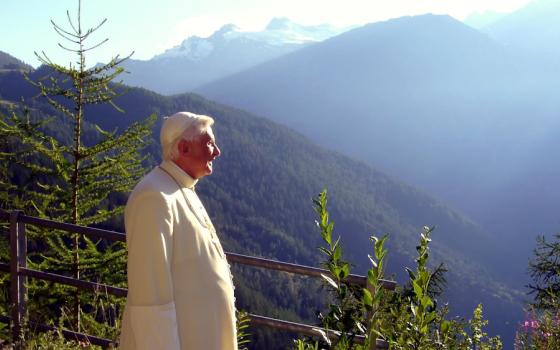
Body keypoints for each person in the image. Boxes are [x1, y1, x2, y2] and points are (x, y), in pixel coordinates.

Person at [119, 111, 237, 350]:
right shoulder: (154, 197)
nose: (217, 151)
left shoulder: (179, 187)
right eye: (209, 143)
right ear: (184, 148)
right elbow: (150, 302)